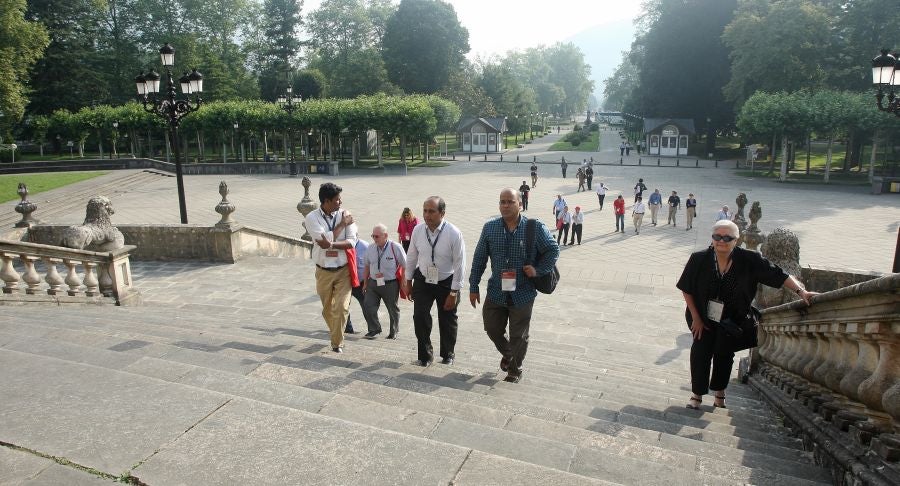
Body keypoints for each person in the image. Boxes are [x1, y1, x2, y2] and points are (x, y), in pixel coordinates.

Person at [677, 220, 817, 409]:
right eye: (717, 236)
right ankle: (697, 394)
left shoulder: (749, 260)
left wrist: (802, 292)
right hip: (702, 315)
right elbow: (687, 289)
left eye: (727, 237)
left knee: (724, 353)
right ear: (712, 238)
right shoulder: (699, 259)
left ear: (737, 240)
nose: (721, 241)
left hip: (733, 318)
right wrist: (696, 317)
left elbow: (779, 274)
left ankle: (719, 391)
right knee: (700, 351)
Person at [469, 188, 560, 383]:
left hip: (523, 292)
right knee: (491, 328)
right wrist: (473, 286)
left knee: (519, 335)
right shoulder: (490, 228)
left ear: (520, 204)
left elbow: (553, 249)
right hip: (496, 291)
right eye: (502, 201)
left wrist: (538, 270)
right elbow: (479, 258)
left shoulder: (534, 228)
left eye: (510, 201)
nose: (505, 205)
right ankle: (510, 353)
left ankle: (514, 370)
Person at [404, 196, 466, 366]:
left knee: (447, 318)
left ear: (442, 213)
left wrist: (454, 292)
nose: (427, 215)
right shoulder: (418, 230)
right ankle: (425, 356)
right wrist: (407, 281)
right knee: (420, 316)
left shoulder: (453, 233)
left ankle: (448, 355)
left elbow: (460, 264)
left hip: (446, 281)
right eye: (425, 210)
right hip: (423, 279)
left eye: (431, 211)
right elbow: (411, 256)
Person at [305, 182, 358, 353]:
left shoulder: (346, 214)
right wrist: (341, 225)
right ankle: (336, 333)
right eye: (337, 200)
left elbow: (351, 242)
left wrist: (331, 244)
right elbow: (321, 242)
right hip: (323, 271)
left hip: (343, 271)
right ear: (326, 201)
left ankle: (337, 343)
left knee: (341, 308)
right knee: (328, 310)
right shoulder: (312, 218)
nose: (340, 202)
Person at [362, 224, 406, 339]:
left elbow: (405, 265)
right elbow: (366, 266)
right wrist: (365, 283)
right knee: (368, 306)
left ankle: (393, 331)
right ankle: (374, 329)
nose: (374, 239)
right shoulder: (371, 248)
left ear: (385, 235)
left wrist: (404, 283)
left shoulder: (395, 247)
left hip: (390, 284)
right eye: (373, 236)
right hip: (373, 283)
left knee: (392, 308)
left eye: (377, 236)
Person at [345, 237, 369, 335]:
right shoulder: (342, 245)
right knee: (344, 306)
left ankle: (373, 329)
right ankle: (347, 328)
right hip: (345, 282)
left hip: (361, 283)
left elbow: (371, 264)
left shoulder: (365, 246)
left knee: (367, 306)